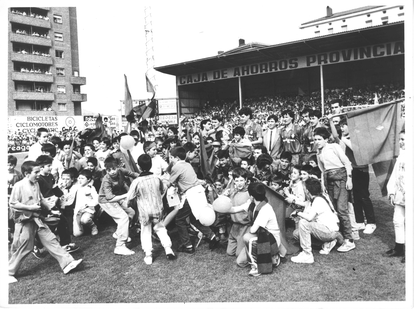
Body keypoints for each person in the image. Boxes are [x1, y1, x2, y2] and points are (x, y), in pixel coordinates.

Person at [8, 161, 83, 283]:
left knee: (51, 240)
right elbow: (13, 204)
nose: (38, 175)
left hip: (38, 219)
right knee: (25, 247)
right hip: (25, 221)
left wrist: (51, 211)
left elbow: (41, 199)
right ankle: (9, 271)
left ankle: (67, 263)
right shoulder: (19, 186)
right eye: (36, 172)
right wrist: (30, 208)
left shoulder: (36, 183)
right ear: (27, 174)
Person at [165, 146, 220, 253]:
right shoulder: (187, 164)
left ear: (175, 158)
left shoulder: (176, 167)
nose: (170, 160)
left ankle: (188, 245)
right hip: (198, 192)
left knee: (180, 220)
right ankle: (212, 236)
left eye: (171, 157)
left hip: (191, 195)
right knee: (194, 218)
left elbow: (169, 182)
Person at [126, 154, 176, 265]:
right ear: (151, 165)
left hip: (144, 211)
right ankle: (168, 249)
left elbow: (129, 197)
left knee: (145, 231)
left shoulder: (137, 181)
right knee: (160, 228)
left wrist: (130, 203)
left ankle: (148, 254)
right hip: (157, 209)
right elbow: (162, 190)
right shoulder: (157, 178)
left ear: (138, 167)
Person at [313, 127, 355, 253]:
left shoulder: (334, 147)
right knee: (334, 209)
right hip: (328, 181)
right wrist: (323, 185)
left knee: (342, 209)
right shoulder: (318, 152)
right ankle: (338, 237)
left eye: (319, 139)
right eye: (315, 139)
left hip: (341, 178)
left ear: (326, 139)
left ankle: (349, 240)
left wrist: (349, 179)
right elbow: (322, 170)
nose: (317, 142)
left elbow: (347, 163)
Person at [229, 182, 281, 277]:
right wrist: (215, 207)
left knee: (247, 237)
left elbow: (253, 230)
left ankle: (258, 266)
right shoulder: (252, 204)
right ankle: (270, 257)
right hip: (260, 235)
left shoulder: (265, 208)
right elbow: (234, 209)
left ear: (251, 196)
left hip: (270, 239)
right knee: (240, 262)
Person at [339, 118, 377, 236]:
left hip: (361, 169)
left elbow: (358, 150)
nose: (342, 128)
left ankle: (371, 222)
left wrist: (344, 140)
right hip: (352, 169)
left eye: (344, 125)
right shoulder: (344, 138)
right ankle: (360, 220)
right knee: (355, 196)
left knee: (364, 196)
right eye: (341, 126)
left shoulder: (358, 138)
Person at [290, 178, 342, 264]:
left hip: (328, 230)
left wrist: (298, 213)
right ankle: (326, 243)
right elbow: (305, 205)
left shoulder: (318, 200)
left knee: (303, 223)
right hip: (325, 229)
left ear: (307, 191)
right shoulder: (317, 198)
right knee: (296, 234)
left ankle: (307, 254)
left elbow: (309, 218)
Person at [98, 157, 139, 255]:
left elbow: (132, 174)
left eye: (114, 168)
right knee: (123, 218)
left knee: (131, 213)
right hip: (106, 201)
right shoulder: (106, 180)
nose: (112, 172)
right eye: (109, 170)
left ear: (118, 167)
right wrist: (126, 195)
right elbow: (109, 198)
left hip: (117, 197)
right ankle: (120, 246)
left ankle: (118, 233)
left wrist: (144, 177)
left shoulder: (121, 170)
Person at [384, 130, 405, 263]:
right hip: (400, 194)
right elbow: (395, 175)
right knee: (397, 220)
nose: (401, 142)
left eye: (404, 139)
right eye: (400, 139)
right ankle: (399, 247)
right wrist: (391, 191)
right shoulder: (401, 155)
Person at [224, 168, 251, 258]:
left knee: (239, 254)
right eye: (237, 181)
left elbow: (237, 209)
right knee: (230, 252)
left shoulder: (249, 194)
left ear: (246, 180)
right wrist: (225, 195)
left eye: (241, 180)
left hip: (245, 226)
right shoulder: (232, 192)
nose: (239, 183)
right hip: (235, 226)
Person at [73, 169, 99, 237]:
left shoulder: (91, 188)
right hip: (78, 211)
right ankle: (83, 227)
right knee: (77, 234)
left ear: (88, 179)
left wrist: (88, 204)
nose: (80, 180)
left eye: (82, 178)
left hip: (87, 210)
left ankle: (93, 226)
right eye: (79, 178)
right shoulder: (76, 187)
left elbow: (97, 199)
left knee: (85, 220)